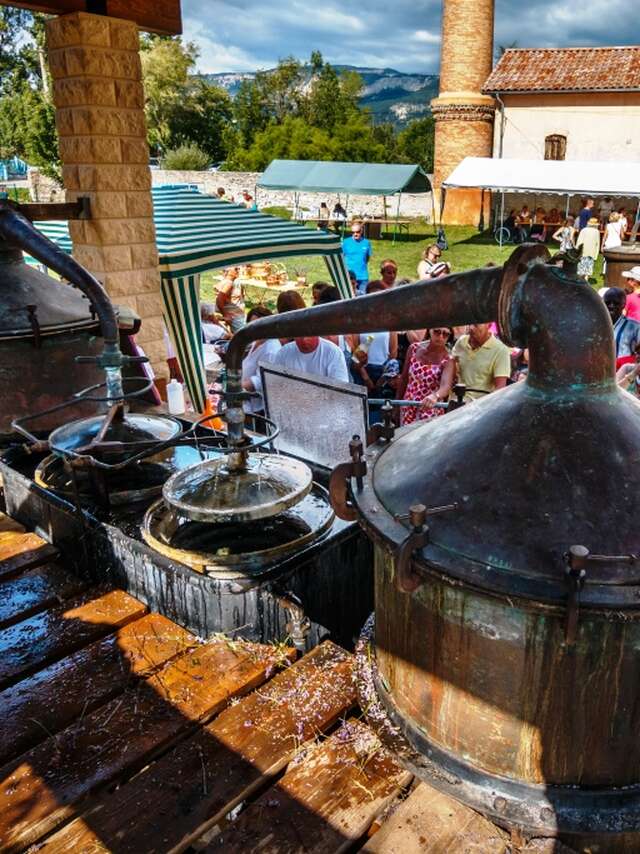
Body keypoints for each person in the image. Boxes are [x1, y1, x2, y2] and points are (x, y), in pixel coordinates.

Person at [397, 327, 455, 425]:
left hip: (429, 408)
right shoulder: (414, 349)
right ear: (429, 330)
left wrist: (435, 396)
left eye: (445, 334)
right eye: (437, 332)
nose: (440, 336)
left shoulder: (448, 359)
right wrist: (397, 404)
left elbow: (446, 386)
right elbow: (404, 379)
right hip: (408, 406)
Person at [452, 323, 511, 402]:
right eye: (469, 323)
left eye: (476, 325)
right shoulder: (461, 342)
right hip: (456, 402)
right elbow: (450, 370)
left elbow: (500, 388)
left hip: (480, 405)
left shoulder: (500, 350)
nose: (471, 328)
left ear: (489, 325)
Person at [241, 306, 282, 414]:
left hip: (256, 408)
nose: (255, 329)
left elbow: (260, 381)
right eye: (252, 325)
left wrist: (235, 388)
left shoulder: (272, 349)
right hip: (245, 401)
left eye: (260, 326)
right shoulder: (257, 341)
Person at [273, 335, 349, 383]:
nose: (304, 339)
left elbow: (340, 389)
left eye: (308, 334)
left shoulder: (333, 352)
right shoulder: (283, 352)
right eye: (299, 335)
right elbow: (276, 383)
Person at [603, 288, 640, 358]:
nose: (611, 306)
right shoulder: (597, 326)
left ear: (623, 305)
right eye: (607, 303)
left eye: (616, 303)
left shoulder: (635, 327)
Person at [342, 220, 372, 294]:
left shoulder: (367, 243)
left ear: (361, 231)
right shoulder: (346, 242)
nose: (355, 234)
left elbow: (367, 258)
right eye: (353, 232)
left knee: (364, 298)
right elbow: (342, 257)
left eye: (357, 232)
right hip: (349, 277)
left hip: (363, 277)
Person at [215, 267, 245, 334]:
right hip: (234, 316)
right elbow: (219, 299)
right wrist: (226, 315)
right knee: (243, 335)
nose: (238, 270)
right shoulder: (229, 283)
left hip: (234, 315)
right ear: (228, 271)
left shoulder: (226, 281)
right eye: (236, 269)